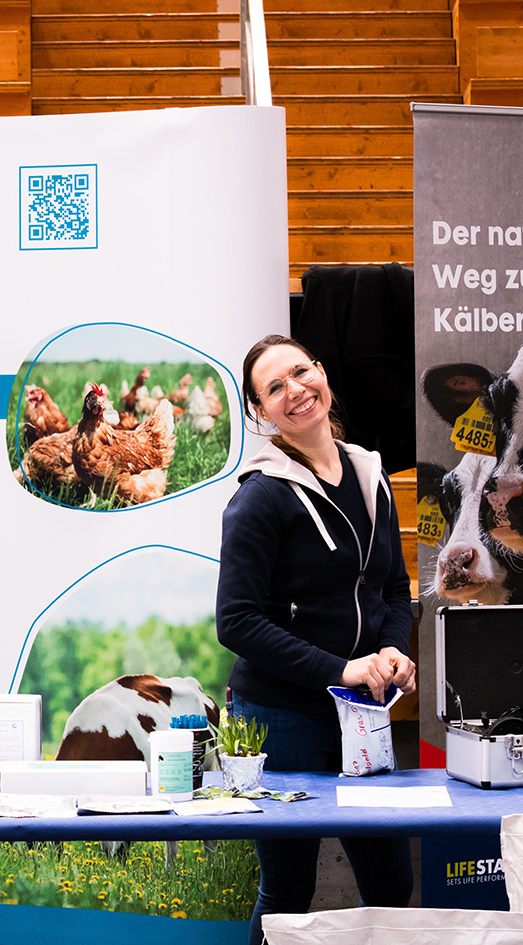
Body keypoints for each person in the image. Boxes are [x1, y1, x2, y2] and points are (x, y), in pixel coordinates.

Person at [216, 333, 417, 944]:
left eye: (301, 373)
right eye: (274, 388)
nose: (295, 391)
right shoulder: (259, 498)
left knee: (390, 885)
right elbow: (237, 623)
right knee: (288, 894)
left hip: (361, 715)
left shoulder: (369, 475)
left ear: (323, 373)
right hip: (282, 718)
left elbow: (391, 588)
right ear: (260, 412)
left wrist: (389, 649)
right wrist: (343, 668)